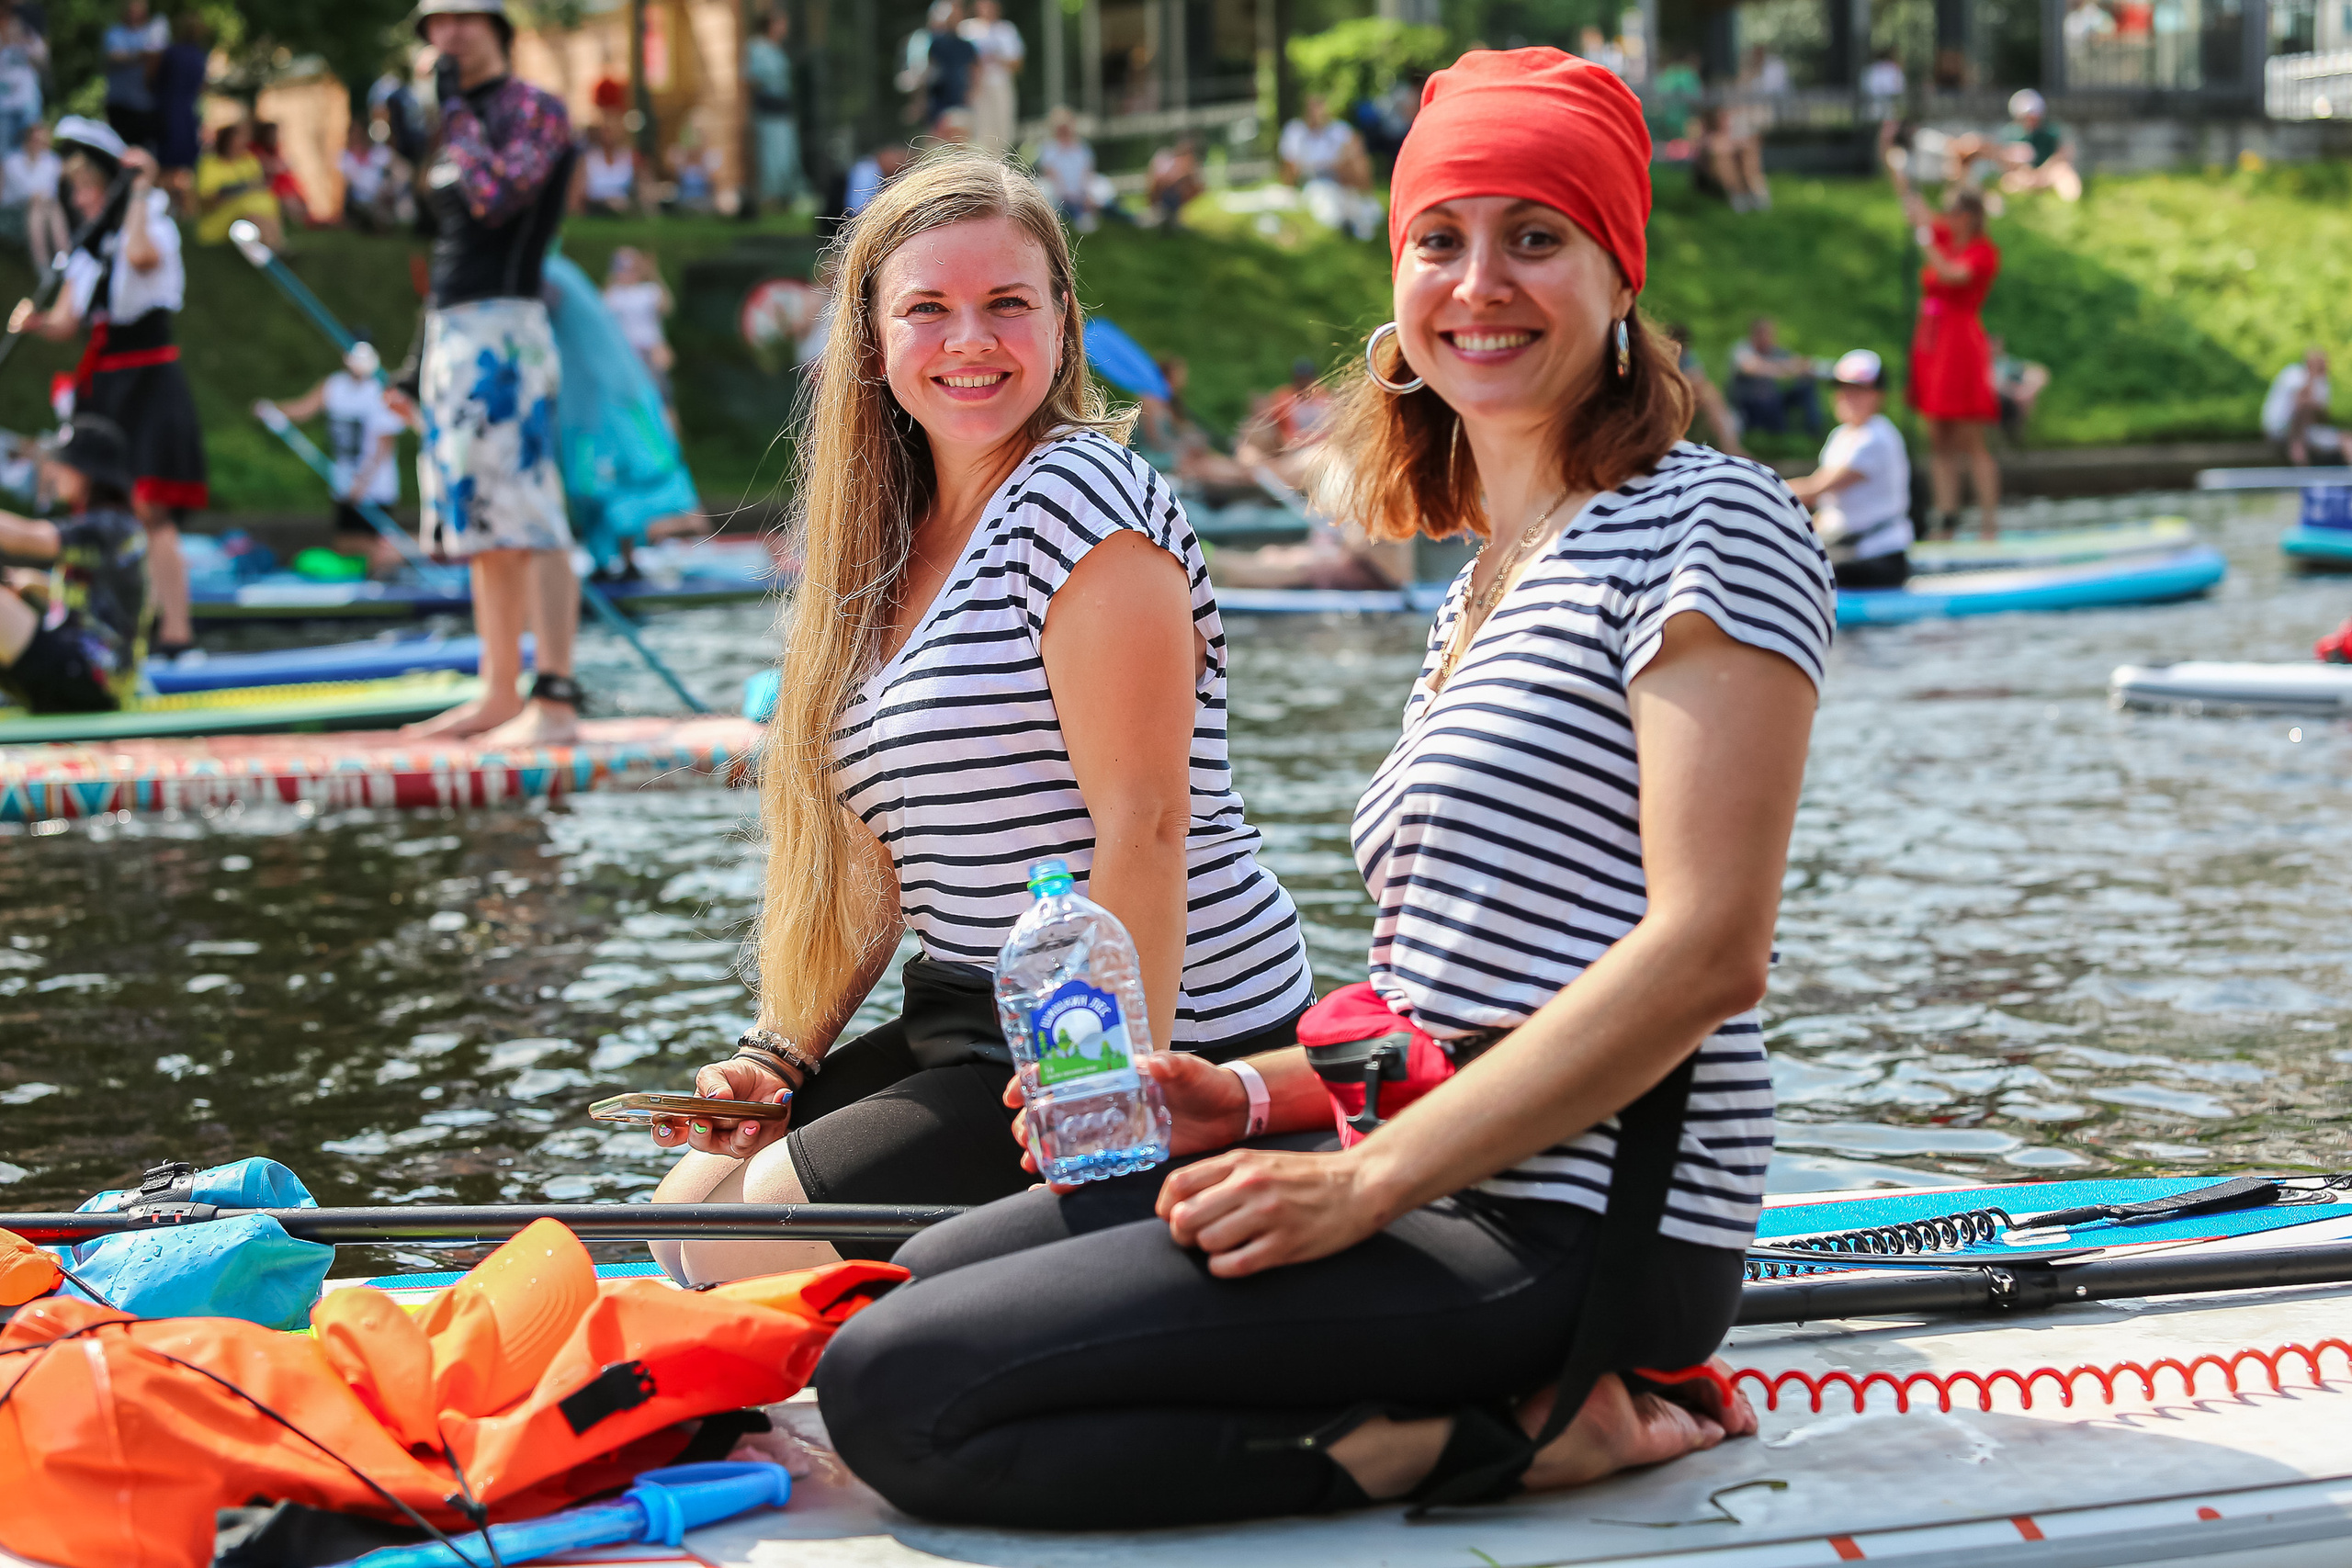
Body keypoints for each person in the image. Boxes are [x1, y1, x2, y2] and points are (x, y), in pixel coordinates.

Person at [814, 48, 1828, 1529]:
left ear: (1621, 280)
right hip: (1420, 1157)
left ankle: (1500, 1435)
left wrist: (1357, 1190)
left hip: (1586, 1214)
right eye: (1441, 238)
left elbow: (1707, 952)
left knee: (902, 1389)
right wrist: (1236, 1095)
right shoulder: (1482, 585)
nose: (1479, 282)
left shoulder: (1711, 520)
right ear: (1400, 282)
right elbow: (1446, 1007)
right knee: (899, 1290)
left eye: (1536, 237)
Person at [642, 146, 1314, 1285]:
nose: (971, 340)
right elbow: (885, 861)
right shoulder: (883, 541)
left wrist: (1110, 1114)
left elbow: (1143, 829)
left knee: (719, 1243)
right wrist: (781, 1052)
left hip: (1149, 1028)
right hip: (972, 1009)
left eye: (1007, 303)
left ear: (1061, 320)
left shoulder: (1081, 498)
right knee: (685, 1204)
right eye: (928, 309)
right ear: (871, 338)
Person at [402, 0, 582, 745]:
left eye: (462, 19)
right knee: (478, 522)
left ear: (496, 28)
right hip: (452, 328)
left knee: (531, 514)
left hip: (507, 329)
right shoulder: (444, 118)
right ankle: (498, 690)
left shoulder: (533, 110)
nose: (448, 35)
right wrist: (413, 360)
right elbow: (439, 242)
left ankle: (558, 700)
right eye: (436, 24)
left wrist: (451, 113)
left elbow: (496, 199)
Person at [10, 121, 204, 658]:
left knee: (151, 508)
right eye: (74, 191)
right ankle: (91, 624)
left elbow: (141, 257)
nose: (79, 199)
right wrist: (36, 323)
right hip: (106, 381)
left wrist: (139, 191)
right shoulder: (88, 250)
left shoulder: (150, 226)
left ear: (109, 185)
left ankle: (178, 635)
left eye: (86, 188)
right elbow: (68, 322)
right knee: (90, 503)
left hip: (148, 377)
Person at [1889, 131, 2001, 539]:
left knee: (1972, 439)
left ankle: (1989, 524)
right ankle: (1946, 520)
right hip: (1932, 341)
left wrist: (1927, 246)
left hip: (1960, 342)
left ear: (1968, 217)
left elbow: (1955, 276)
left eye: (1953, 213)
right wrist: (1898, 161)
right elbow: (1914, 207)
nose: (1945, 219)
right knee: (1938, 439)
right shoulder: (1943, 237)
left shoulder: (1981, 251)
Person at [0, 414, 148, 715]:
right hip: (79, 673)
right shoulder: (109, 524)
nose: (54, 470)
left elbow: (27, 537)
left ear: (87, 470)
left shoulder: (112, 526)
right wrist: (37, 586)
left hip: (91, 679)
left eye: (63, 461)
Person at [259, 339, 410, 575]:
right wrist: (274, 410)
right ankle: (372, 580)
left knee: (374, 545)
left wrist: (363, 483)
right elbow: (304, 408)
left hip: (375, 486)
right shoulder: (334, 386)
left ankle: (408, 555)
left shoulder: (380, 390)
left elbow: (385, 443)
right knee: (344, 544)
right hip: (344, 481)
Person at [1787, 349, 1913, 589]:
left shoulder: (1877, 439)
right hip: (1845, 548)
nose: (1848, 397)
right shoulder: (1840, 436)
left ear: (1878, 395)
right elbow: (1821, 502)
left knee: (1796, 568)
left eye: (1858, 390)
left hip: (1879, 559)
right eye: (1843, 390)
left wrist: (1756, 489)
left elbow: (1815, 488)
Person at [1946, 89, 2081, 203]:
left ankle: (2071, 204)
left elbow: (2064, 154)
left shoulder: (2051, 132)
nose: (2030, 120)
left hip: (2047, 172)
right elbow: (2001, 157)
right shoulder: (2009, 133)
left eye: (2034, 116)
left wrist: (2042, 173)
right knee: (2010, 182)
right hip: (2021, 175)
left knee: (2064, 173)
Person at [1280, 94, 1381, 240]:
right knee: (1328, 203)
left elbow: (1357, 145)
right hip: (1314, 179)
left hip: (1340, 176)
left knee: (1360, 162)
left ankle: (1361, 207)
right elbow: (1290, 165)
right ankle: (1347, 223)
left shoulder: (1337, 129)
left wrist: (1342, 161)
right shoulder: (1295, 131)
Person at [602, 244, 674, 415]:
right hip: (625, 353)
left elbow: (667, 307)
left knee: (663, 401)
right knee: (629, 402)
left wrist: (654, 273)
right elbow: (602, 318)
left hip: (651, 352)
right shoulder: (612, 294)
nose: (627, 273)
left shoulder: (649, 290)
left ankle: (669, 440)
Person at [745, 10, 805, 212]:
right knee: (771, 156)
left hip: (783, 110)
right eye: (780, 23)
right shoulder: (756, 48)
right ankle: (769, 200)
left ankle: (784, 199)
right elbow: (751, 79)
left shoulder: (778, 50)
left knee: (787, 155)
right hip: (767, 110)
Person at [1726, 316, 1822, 436]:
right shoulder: (1742, 348)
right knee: (1769, 397)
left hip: (1772, 398)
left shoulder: (1774, 350)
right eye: (1766, 334)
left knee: (1806, 386)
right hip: (1748, 402)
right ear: (1756, 335)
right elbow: (1752, 367)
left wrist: (1805, 366)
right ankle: (1777, 437)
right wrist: (1783, 369)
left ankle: (1814, 431)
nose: (1770, 338)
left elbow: (1797, 362)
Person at [193, 121, 280, 248]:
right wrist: (239, 190)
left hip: (252, 212)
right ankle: (271, 249)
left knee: (264, 202)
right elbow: (208, 199)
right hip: (219, 217)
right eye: (238, 141)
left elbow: (260, 186)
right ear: (226, 142)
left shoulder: (249, 160)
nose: (242, 145)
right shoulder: (209, 164)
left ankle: (274, 245)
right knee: (251, 209)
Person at [1665, 321, 1744, 456]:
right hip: (1677, 397)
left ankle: (1730, 442)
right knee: (1710, 395)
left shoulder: (1688, 356)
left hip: (1694, 397)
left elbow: (1698, 377)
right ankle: (1730, 445)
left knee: (1711, 393)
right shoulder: (1665, 357)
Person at [101, 0, 165, 152]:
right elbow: (114, 56)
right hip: (119, 105)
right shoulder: (114, 33)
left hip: (145, 105)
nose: (133, 14)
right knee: (118, 150)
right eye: (130, 10)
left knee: (143, 152)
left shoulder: (152, 34)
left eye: (137, 10)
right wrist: (141, 56)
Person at [153, 12, 206, 201]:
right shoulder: (199, 56)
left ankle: (166, 203)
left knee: (166, 163)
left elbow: (156, 81)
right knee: (184, 165)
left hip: (169, 111)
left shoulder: (172, 53)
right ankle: (183, 206)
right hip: (188, 113)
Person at [961, 0, 1023, 152]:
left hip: (1000, 85)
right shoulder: (967, 29)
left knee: (1003, 127)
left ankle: (1000, 162)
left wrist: (996, 58)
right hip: (976, 86)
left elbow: (1017, 63)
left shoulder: (1007, 30)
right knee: (980, 128)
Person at [0, 121, 63, 266]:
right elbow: (26, 193)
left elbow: (49, 192)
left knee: (50, 208)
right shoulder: (12, 162)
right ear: (27, 140)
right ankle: (45, 266)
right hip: (13, 213)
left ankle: (61, 259)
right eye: (36, 140)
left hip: (43, 209)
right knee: (39, 208)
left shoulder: (52, 161)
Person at [2263, 348, 2338, 466]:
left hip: (2308, 429)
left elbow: (2324, 416)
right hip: (2282, 427)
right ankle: (2297, 447)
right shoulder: (2293, 373)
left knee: (2346, 441)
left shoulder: (2323, 381)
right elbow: (2300, 404)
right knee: (2305, 406)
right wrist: (2311, 377)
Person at [1690, 106, 1768, 211]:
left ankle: (1753, 193)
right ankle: (1741, 195)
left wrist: (1736, 144)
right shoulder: (1704, 120)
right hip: (1713, 164)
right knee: (1722, 154)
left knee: (1747, 155)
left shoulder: (1739, 115)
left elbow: (1749, 140)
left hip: (1737, 156)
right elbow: (1698, 143)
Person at [1032, 106, 1097, 230]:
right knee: (1045, 190)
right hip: (1059, 195)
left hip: (1079, 193)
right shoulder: (1048, 149)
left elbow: (1087, 174)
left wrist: (1085, 194)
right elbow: (1051, 175)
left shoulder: (1082, 149)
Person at [917, 0, 978, 131]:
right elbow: (926, 71)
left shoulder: (966, 45)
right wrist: (921, 100)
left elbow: (974, 70)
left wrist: (972, 92)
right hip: (939, 100)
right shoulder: (933, 42)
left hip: (960, 100)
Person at [340, 118, 407, 231]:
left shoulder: (379, 152)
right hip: (358, 202)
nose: (357, 137)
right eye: (354, 133)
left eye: (360, 133)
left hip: (384, 196)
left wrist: (392, 188)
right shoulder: (343, 158)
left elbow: (405, 171)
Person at [0, 7, 44, 164]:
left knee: (29, 148)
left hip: (28, 106)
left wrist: (26, 44)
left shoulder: (30, 39)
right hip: (4, 108)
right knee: (3, 152)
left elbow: (43, 62)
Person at [574, 115, 640, 216]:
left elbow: (641, 190)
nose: (610, 135)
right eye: (607, 130)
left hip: (623, 207)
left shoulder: (630, 158)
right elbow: (578, 193)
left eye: (614, 130)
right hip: (595, 208)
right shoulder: (588, 159)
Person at [1989, 335, 2050, 441]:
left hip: (2010, 398)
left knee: (2020, 399)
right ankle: (2011, 436)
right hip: (1994, 397)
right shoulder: (1983, 365)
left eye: (1996, 344)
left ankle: (2015, 435)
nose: (1993, 348)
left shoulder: (2008, 363)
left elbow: (2039, 372)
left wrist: (2025, 391)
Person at [1144, 135, 1203, 229]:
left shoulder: (1184, 162)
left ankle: (1169, 216)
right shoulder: (1169, 158)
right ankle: (1168, 216)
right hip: (1165, 196)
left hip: (1170, 197)